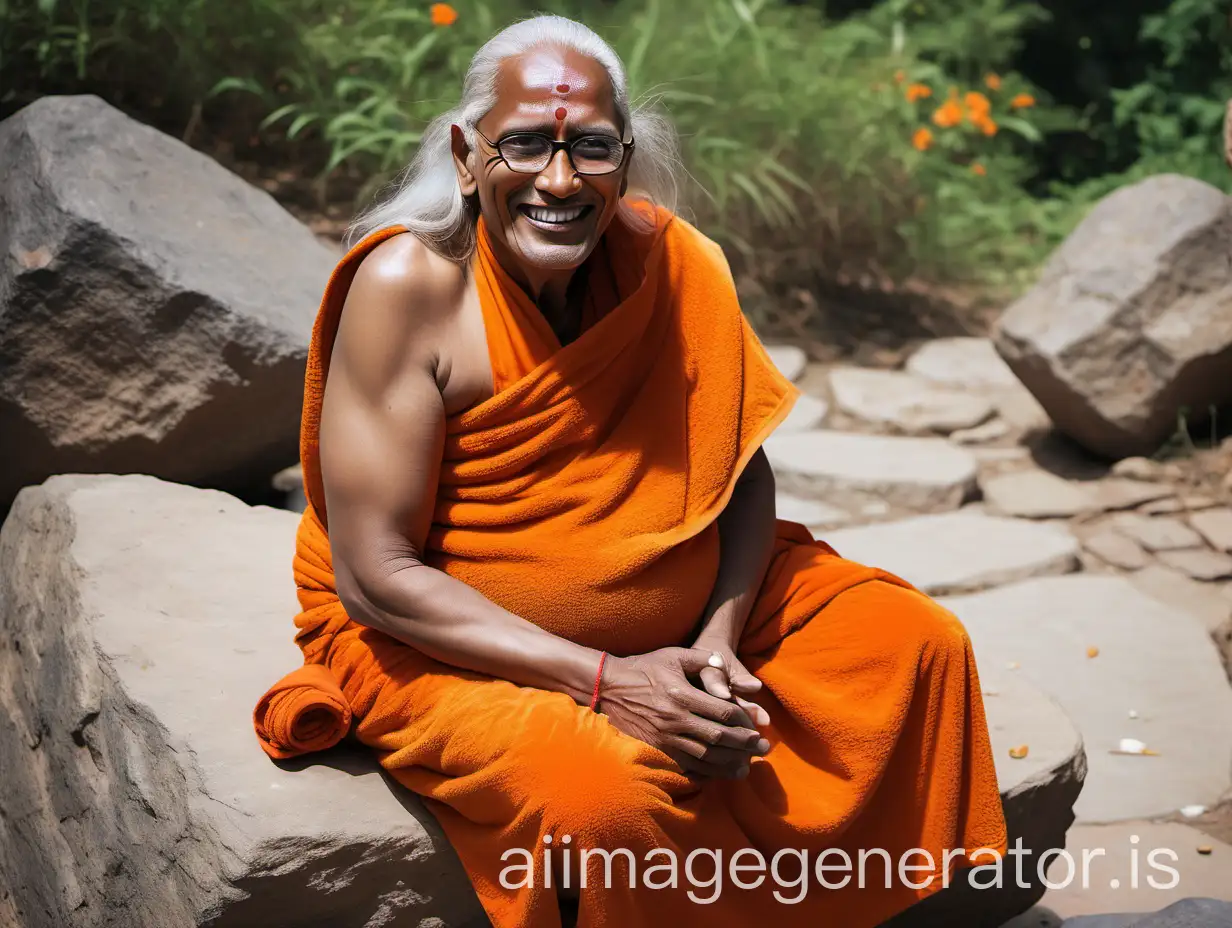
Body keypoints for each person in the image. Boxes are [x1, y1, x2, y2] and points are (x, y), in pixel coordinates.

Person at [253, 14, 1008, 928]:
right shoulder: (410, 286)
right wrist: (609, 682)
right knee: (604, 800)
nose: (560, 181)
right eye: (524, 145)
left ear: (626, 154)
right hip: (448, 647)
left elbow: (741, 478)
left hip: (688, 621)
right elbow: (376, 575)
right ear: (465, 153)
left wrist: (721, 646)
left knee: (917, 644)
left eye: (592, 149)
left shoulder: (672, 262)